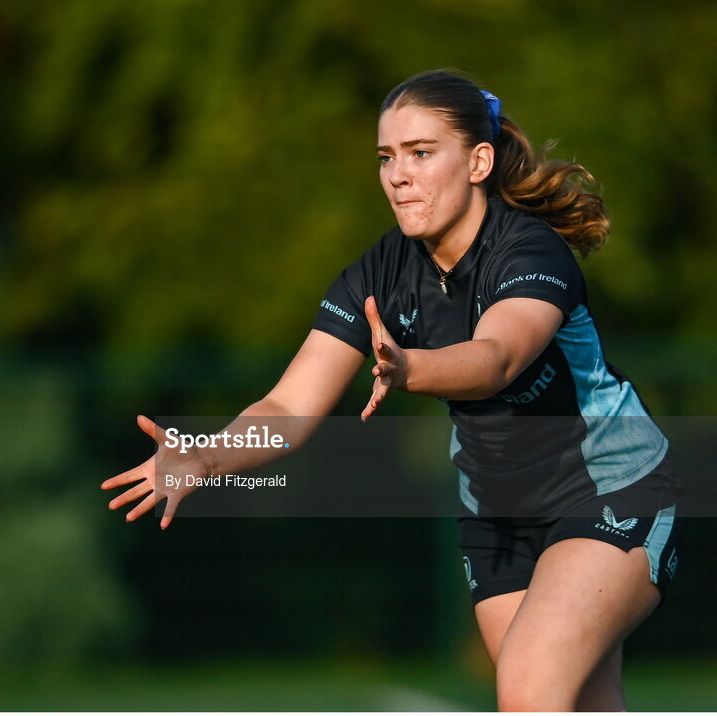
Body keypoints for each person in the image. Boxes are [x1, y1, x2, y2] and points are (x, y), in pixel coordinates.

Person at [101, 70, 682, 711]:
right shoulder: (379, 274)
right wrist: (206, 457)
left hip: (611, 487)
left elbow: (495, 358)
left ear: (479, 162)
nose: (397, 174)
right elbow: (287, 407)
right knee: (580, 704)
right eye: (386, 157)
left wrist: (410, 370)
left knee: (529, 686)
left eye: (421, 153)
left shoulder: (530, 252)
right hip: (498, 515)